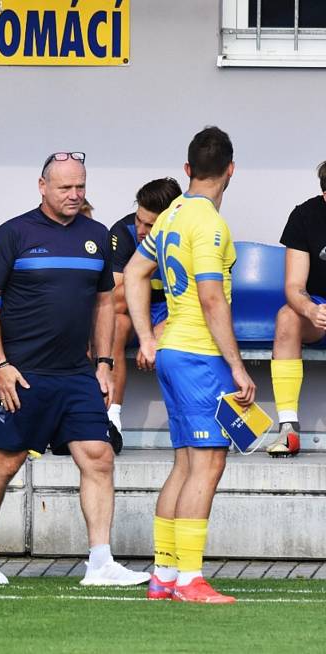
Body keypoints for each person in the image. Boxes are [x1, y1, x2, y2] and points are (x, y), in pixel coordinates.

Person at [0, 150, 149, 588]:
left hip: (76, 374)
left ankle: (100, 561)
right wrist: (0, 365)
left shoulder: (97, 235)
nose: (74, 194)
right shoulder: (13, 233)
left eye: (80, 186)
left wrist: (104, 363)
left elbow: (105, 303)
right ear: (42, 186)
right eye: (65, 187)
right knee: (5, 464)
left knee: (99, 458)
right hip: (22, 374)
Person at [125, 126, 256, 604]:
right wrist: (238, 367)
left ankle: (164, 574)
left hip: (174, 352)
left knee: (184, 464)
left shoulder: (171, 213)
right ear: (231, 171)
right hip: (200, 356)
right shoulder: (209, 223)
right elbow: (210, 296)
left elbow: (136, 273)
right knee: (207, 465)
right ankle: (190, 580)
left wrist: (146, 337)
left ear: (187, 170)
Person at [107, 178, 182, 445]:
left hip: (175, 312)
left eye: (150, 225)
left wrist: (154, 334)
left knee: (182, 339)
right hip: (133, 310)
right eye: (139, 219)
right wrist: (144, 331)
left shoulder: (187, 234)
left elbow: (196, 302)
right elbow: (115, 300)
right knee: (112, 324)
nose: (141, 229)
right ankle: (111, 418)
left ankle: (191, 423)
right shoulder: (124, 231)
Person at [266, 162, 326, 457]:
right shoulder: (305, 215)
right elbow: (293, 286)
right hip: (320, 312)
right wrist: (310, 309)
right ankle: (288, 428)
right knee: (287, 316)